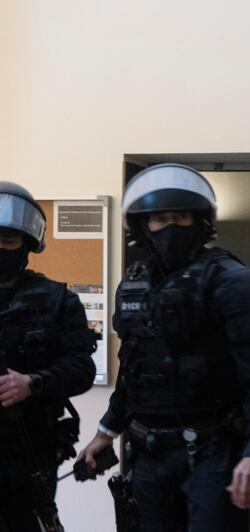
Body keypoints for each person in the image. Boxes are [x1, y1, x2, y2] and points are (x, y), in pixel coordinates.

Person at [78, 163, 250, 531]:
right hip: (148, 454)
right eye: (160, 218)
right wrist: (106, 432)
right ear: (143, 225)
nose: (170, 227)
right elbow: (134, 367)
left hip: (211, 454)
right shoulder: (134, 286)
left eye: (181, 217)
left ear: (199, 222)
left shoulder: (233, 284)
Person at [0, 182, 97, 531]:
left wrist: (32, 383)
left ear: (27, 246)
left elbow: (82, 368)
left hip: (30, 450)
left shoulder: (58, 300)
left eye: (8, 241)